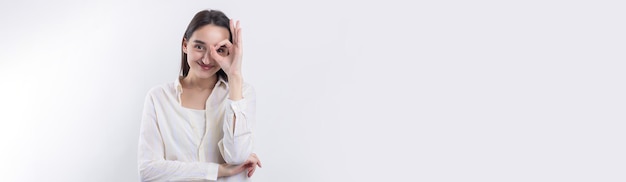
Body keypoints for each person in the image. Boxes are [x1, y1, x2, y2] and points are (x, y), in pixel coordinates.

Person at [138, 9, 261, 181]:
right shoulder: (158, 98)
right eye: (199, 46)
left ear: (229, 52)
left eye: (220, 49)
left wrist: (235, 76)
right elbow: (148, 171)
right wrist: (217, 171)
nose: (207, 59)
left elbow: (238, 157)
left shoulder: (242, 93)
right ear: (185, 44)